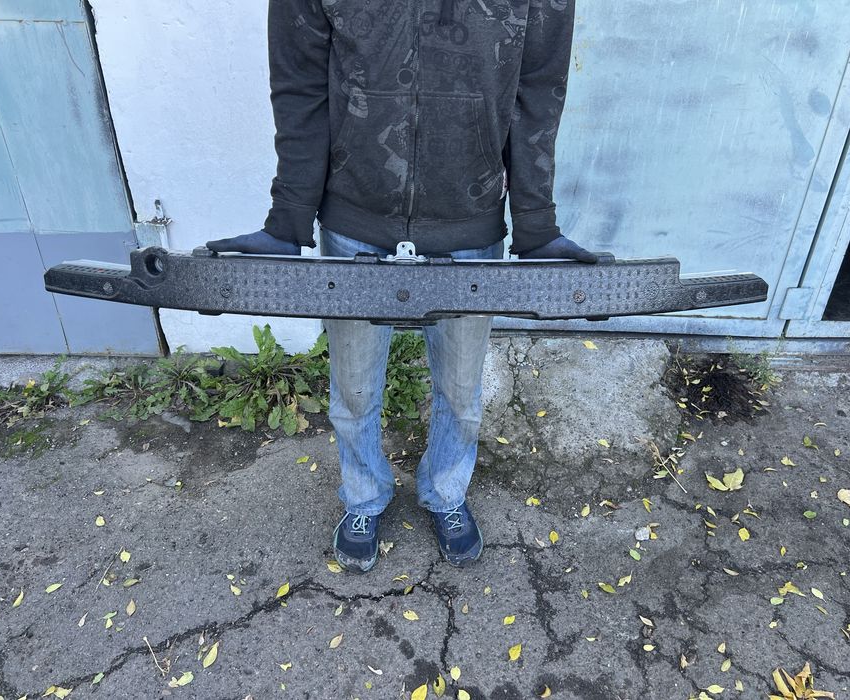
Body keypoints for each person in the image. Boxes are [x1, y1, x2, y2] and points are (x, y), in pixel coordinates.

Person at [207, 0, 601, 572]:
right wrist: (287, 219)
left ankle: (445, 492)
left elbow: (537, 94)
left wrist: (536, 224)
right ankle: (363, 496)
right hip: (355, 223)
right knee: (354, 389)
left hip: (469, 224)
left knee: (461, 391)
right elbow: (300, 89)